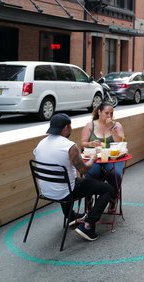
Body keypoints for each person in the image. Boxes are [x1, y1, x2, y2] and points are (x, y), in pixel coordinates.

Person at [33, 113, 114, 242]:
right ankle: (88, 225)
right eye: (70, 127)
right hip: (65, 192)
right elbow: (83, 169)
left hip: (46, 190)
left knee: (71, 182)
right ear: (66, 128)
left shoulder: (40, 144)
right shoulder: (69, 146)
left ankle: (71, 217)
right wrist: (93, 157)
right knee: (107, 189)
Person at [80, 102, 125, 213]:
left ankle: (113, 198)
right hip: (95, 158)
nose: (109, 116)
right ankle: (88, 198)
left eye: (111, 113)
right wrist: (90, 144)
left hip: (113, 157)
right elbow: (82, 143)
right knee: (90, 174)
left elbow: (121, 142)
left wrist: (112, 130)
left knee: (116, 174)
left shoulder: (117, 125)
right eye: (106, 113)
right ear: (99, 112)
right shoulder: (90, 125)